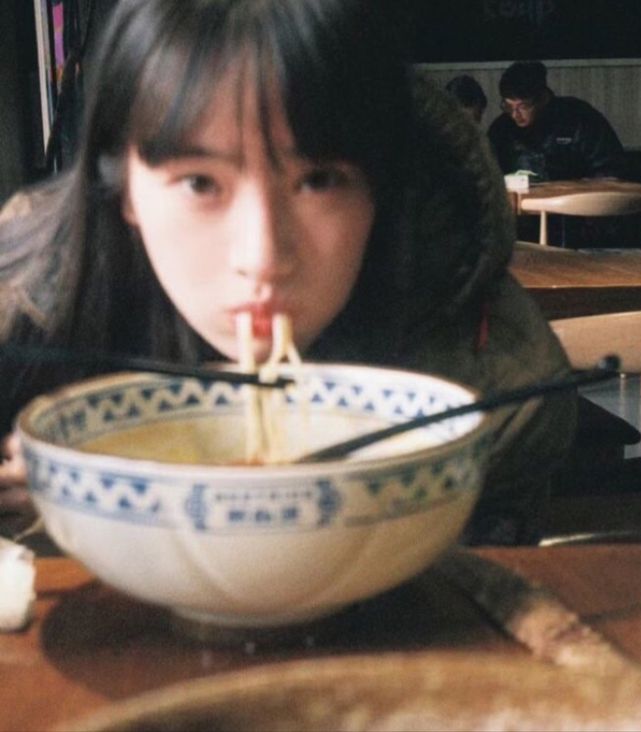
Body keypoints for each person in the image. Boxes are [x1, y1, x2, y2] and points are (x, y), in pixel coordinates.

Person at [0, 0, 575, 546]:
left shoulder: (493, 393)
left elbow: (453, 618)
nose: (263, 257)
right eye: (201, 183)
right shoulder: (20, 305)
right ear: (123, 185)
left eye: (318, 181)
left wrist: (120, 525)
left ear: (382, 185)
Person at [487, 60, 624, 181]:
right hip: (519, 206)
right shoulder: (501, 128)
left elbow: (609, 168)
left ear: (543, 98)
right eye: (508, 106)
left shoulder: (578, 118)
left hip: (572, 205)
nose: (515, 114)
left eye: (523, 106)